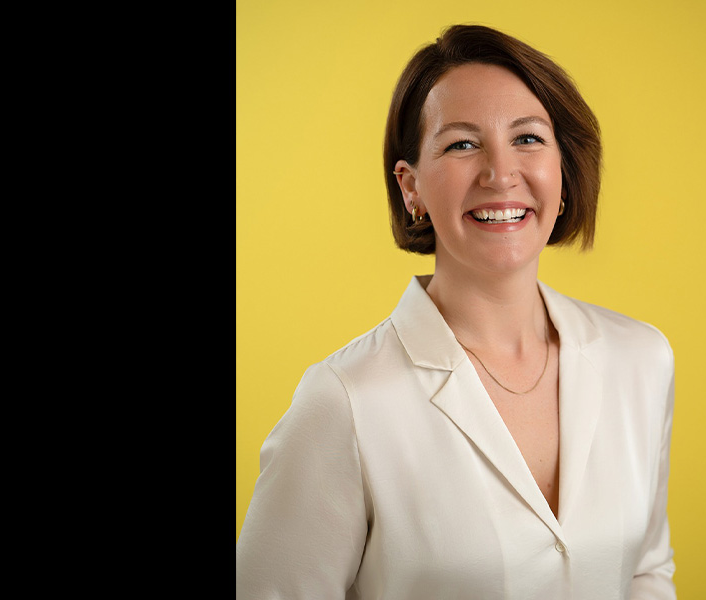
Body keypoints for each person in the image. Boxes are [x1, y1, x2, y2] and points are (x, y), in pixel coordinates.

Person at [236, 24, 676, 599]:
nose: (500, 174)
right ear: (411, 187)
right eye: (462, 144)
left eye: (528, 139)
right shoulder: (344, 401)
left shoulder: (641, 359)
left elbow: (646, 570)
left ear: (563, 171)